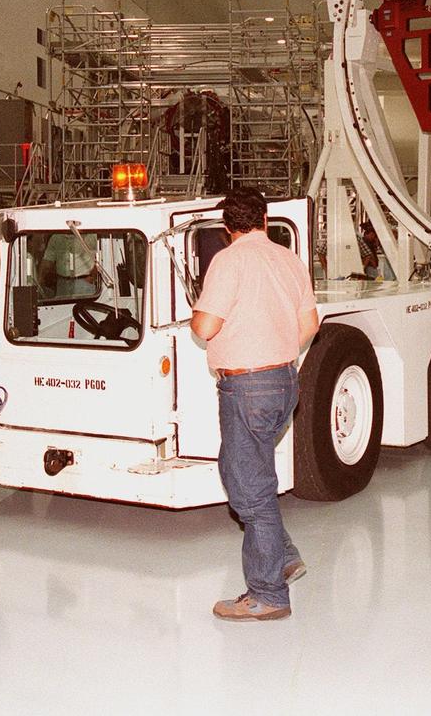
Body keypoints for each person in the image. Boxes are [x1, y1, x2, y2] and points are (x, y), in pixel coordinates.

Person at [191, 187, 319, 622]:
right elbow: (309, 325)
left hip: (246, 387)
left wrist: (198, 313)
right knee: (246, 470)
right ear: (265, 220)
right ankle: (283, 555)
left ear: (227, 228)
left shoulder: (228, 261)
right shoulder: (289, 259)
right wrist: (275, 349)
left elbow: (206, 327)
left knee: (250, 489)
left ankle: (268, 594)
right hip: (284, 380)